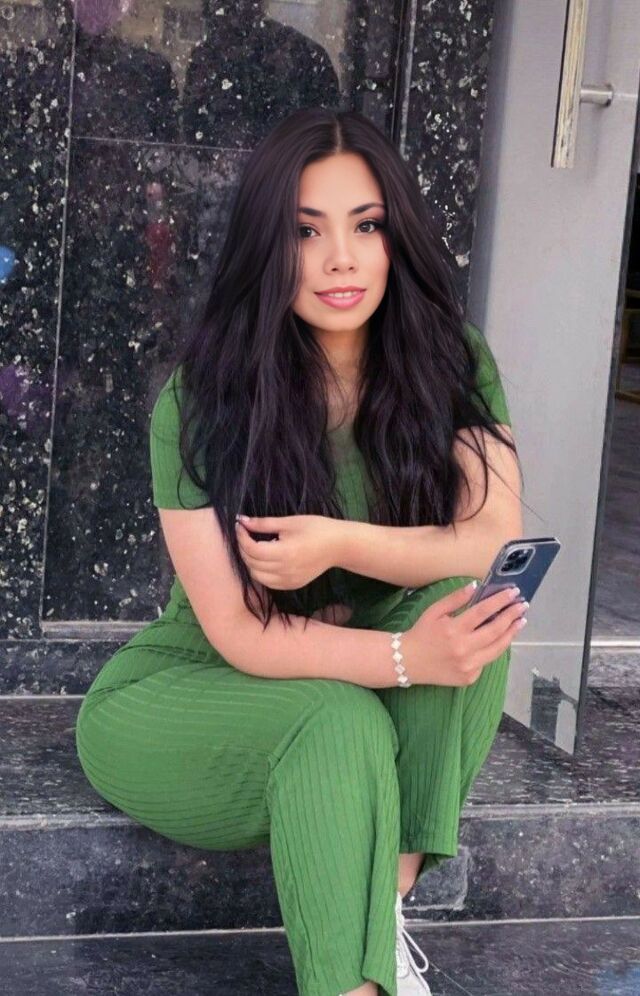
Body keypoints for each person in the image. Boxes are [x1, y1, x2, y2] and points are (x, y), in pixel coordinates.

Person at [75, 107, 526, 996]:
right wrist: (403, 658)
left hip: (345, 693)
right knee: (339, 717)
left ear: (396, 238)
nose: (340, 260)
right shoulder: (201, 399)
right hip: (191, 689)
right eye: (306, 232)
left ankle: (379, 913)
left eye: (366, 226)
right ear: (266, 248)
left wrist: (339, 545)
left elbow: (491, 538)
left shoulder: (451, 360)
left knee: (468, 602)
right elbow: (239, 634)